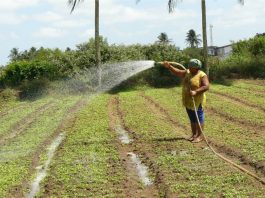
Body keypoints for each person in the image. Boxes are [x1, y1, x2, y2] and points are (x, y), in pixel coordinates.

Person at [163, 59, 209, 143]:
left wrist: (196, 91)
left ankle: (199, 136)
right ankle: (194, 134)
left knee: (199, 118)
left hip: (197, 101)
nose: (190, 68)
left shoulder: (202, 75)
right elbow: (178, 72)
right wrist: (169, 67)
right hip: (188, 100)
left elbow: (206, 86)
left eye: (192, 67)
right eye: (189, 67)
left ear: (197, 68)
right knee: (192, 118)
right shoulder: (187, 72)